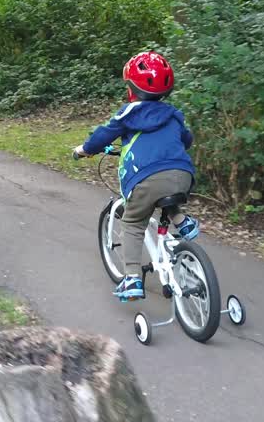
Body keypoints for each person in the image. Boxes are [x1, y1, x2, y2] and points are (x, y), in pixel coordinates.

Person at [73, 51, 198, 301]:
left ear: (131, 88)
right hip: (182, 175)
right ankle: (182, 221)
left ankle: (131, 278)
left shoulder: (127, 114)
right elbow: (187, 140)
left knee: (132, 222)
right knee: (165, 194)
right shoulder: (173, 115)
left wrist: (84, 150)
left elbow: (102, 137)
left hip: (146, 179)